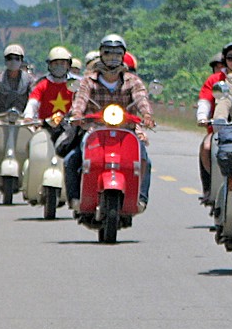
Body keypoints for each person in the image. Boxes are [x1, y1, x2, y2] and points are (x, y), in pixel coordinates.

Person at [64, 34, 155, 212]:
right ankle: (75, 198)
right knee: (71, 160)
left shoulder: (132, 81)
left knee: (145, 160)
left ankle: (140, 199)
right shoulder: (88, 80)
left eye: (117, 53)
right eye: (108, 53)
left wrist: (147, 115)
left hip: (126, 130)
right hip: (94, 130)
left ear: (123, 55)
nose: (112, 58)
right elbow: (80, 100)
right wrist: (77, 114)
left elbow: (141, 98)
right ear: (101, 55)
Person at [196, 41, 232, 205]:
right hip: (220, 128)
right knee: (207, 147)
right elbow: (205, 100)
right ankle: (212, 185)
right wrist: (202, 116)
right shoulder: (216, 80)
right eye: (230, 57)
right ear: (225, 60)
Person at [0, 44, 34, 117]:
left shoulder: (29, 79)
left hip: (23, 119)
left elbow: (35, 96)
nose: (13, 61)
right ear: (5, 60)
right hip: (1, 118)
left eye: (17, 58)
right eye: (10, 58)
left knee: (32, 128)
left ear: (21, 60)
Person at [23, 46, 74, 121]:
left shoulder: (74, 84)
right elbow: (33, 103)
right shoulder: (43, 84)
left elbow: (80, 102)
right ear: (49, 65)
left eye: (63, 63)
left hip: (68, 127)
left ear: (68, 65)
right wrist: (28, 116)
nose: (59, 66)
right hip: (45, 127)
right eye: (55, 64)